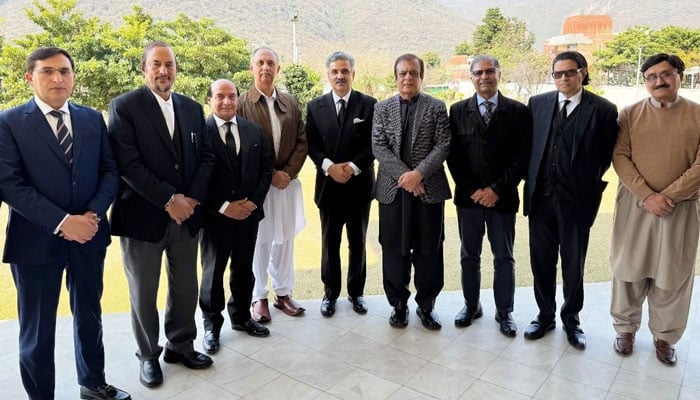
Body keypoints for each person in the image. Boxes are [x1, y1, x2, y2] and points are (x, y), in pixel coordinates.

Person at [0, 47, 129, 400]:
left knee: (89, 314)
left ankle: (93, 382)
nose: (57, 78)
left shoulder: (91, 118)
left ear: (74, 76)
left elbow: (110, 171)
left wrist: (92, 215)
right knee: (37, 329)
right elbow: (10, 184)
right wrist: (61, 223)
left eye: (64, 71)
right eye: (47, 72)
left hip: (89, 236)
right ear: (30, 77)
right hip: (35, 242)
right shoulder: (8, 122)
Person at [108, 41, 215, 388]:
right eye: (156, 64)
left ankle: (180, 345)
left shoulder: (191, 107)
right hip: (142, 218)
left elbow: (207, 158)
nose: (163, 71)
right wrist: (170, 200)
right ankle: (148, 355)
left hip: (187, 218)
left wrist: (192, 200)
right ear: (144, 69)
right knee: (143, 290)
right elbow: (128, 164)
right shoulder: (124, 107)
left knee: (185, 286)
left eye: (169, 64)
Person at [523, 51, 618, 350]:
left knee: (573, 264)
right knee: (541, 262)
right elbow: (530, 147)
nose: (563, 78)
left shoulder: (603, 109)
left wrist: (583, 181)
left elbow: (606, 156)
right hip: (540, 198)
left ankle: (571, 319)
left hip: (577, 201)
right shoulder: (537, 104)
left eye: (569, 72)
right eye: (557, 74)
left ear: (583, 72)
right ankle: (545, 315)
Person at [610, 54, 700, 365]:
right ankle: (625, 329)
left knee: (673, 273)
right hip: (636, 206)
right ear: (645, 81)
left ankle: (665, 337)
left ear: (679, 76)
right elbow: (620, 157)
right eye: (651, 76)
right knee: (628, 269)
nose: (659, 81)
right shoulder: (630, 114)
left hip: (680, 209)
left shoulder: (698, 114)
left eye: (666, 74)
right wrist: (648, 196)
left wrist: (668, 196)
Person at [447, 55, 531, 336]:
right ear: (470, 77)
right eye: (478, 72)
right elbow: (454, 158)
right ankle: (471, 305)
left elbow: (522, 158)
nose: (484, 76)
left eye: (489, 71)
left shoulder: (518, 112)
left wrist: (496, 189)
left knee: (503, 257)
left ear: (498, 73)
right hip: (468, 200)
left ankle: (504, 311)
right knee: (469, 255)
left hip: (503, 199)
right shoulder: (457, 111)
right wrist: (474, 190)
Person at [372, 53, 451, 330]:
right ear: (395, 77)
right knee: (394, 249)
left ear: (421, 76)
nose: (408, 77)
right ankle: (398, 305)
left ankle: (427, 306)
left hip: (427, 190)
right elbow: (379, 147)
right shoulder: (382, 109)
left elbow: (443, 145)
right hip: (392, 192)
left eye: (413, 73)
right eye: (402, 73)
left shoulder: (437, 107)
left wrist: (419, 175)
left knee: (429, 248)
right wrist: (407, 177)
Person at [199, 79, 273, 354]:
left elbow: (266, 169)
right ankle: (211, 326)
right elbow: (196, 177)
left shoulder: (253, 130)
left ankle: (241, 317)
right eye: (220, 96)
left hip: (248, 216)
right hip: (214, 217)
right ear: (210, 99)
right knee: (212, 273)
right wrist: (223, 206)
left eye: (232, 96)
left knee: (243, 270)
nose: (227, 102)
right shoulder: (199, 132)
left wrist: (252, 202)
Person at [237, 46, 308, 322]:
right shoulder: (241, 103)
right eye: (260, 63)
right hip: (258, 187)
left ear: (278, 69)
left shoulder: (290, 102)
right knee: (260, 241)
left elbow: (302, 141)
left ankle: (283, 293)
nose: (266, 68)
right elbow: (241, 147)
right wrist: (270, 174)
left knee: (285, 239)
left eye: (271, 63)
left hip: (286, 186)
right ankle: (259, 296)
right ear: (251, 68)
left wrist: (287, 173)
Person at [306, 51, 377, 317]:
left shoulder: (369, 105)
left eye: (345, 71)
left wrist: (352, 167)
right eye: (335, 71)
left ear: (353, 74)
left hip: (359, 186)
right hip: (329, 187)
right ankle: (330, 293)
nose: (340, 76)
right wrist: (329, 167)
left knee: (358, 242)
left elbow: (374, 144)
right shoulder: (315, 107)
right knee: (330, 243)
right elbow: (311, 144)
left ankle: (356, 292)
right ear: (328, 74)